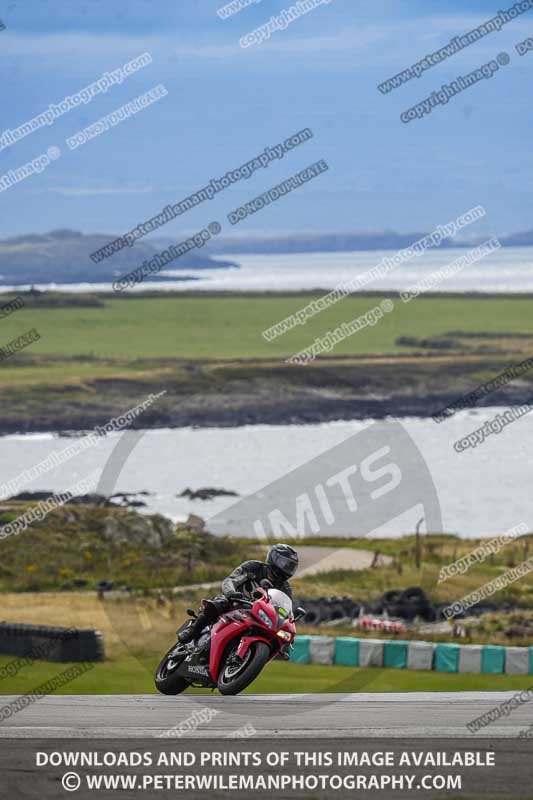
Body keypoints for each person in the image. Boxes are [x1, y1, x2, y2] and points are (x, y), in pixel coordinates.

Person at [177, 543, 299, 644]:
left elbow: (285, 612)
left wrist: (286, 631)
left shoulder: (285, 588)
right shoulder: (254, 567)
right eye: (285, 564)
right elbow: (231, 580)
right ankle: (192, 630)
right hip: (235, 601)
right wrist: (231, 593)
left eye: (291, 566)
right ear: (274, 559)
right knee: (220, 603)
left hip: (257, 615)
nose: (287, 569)